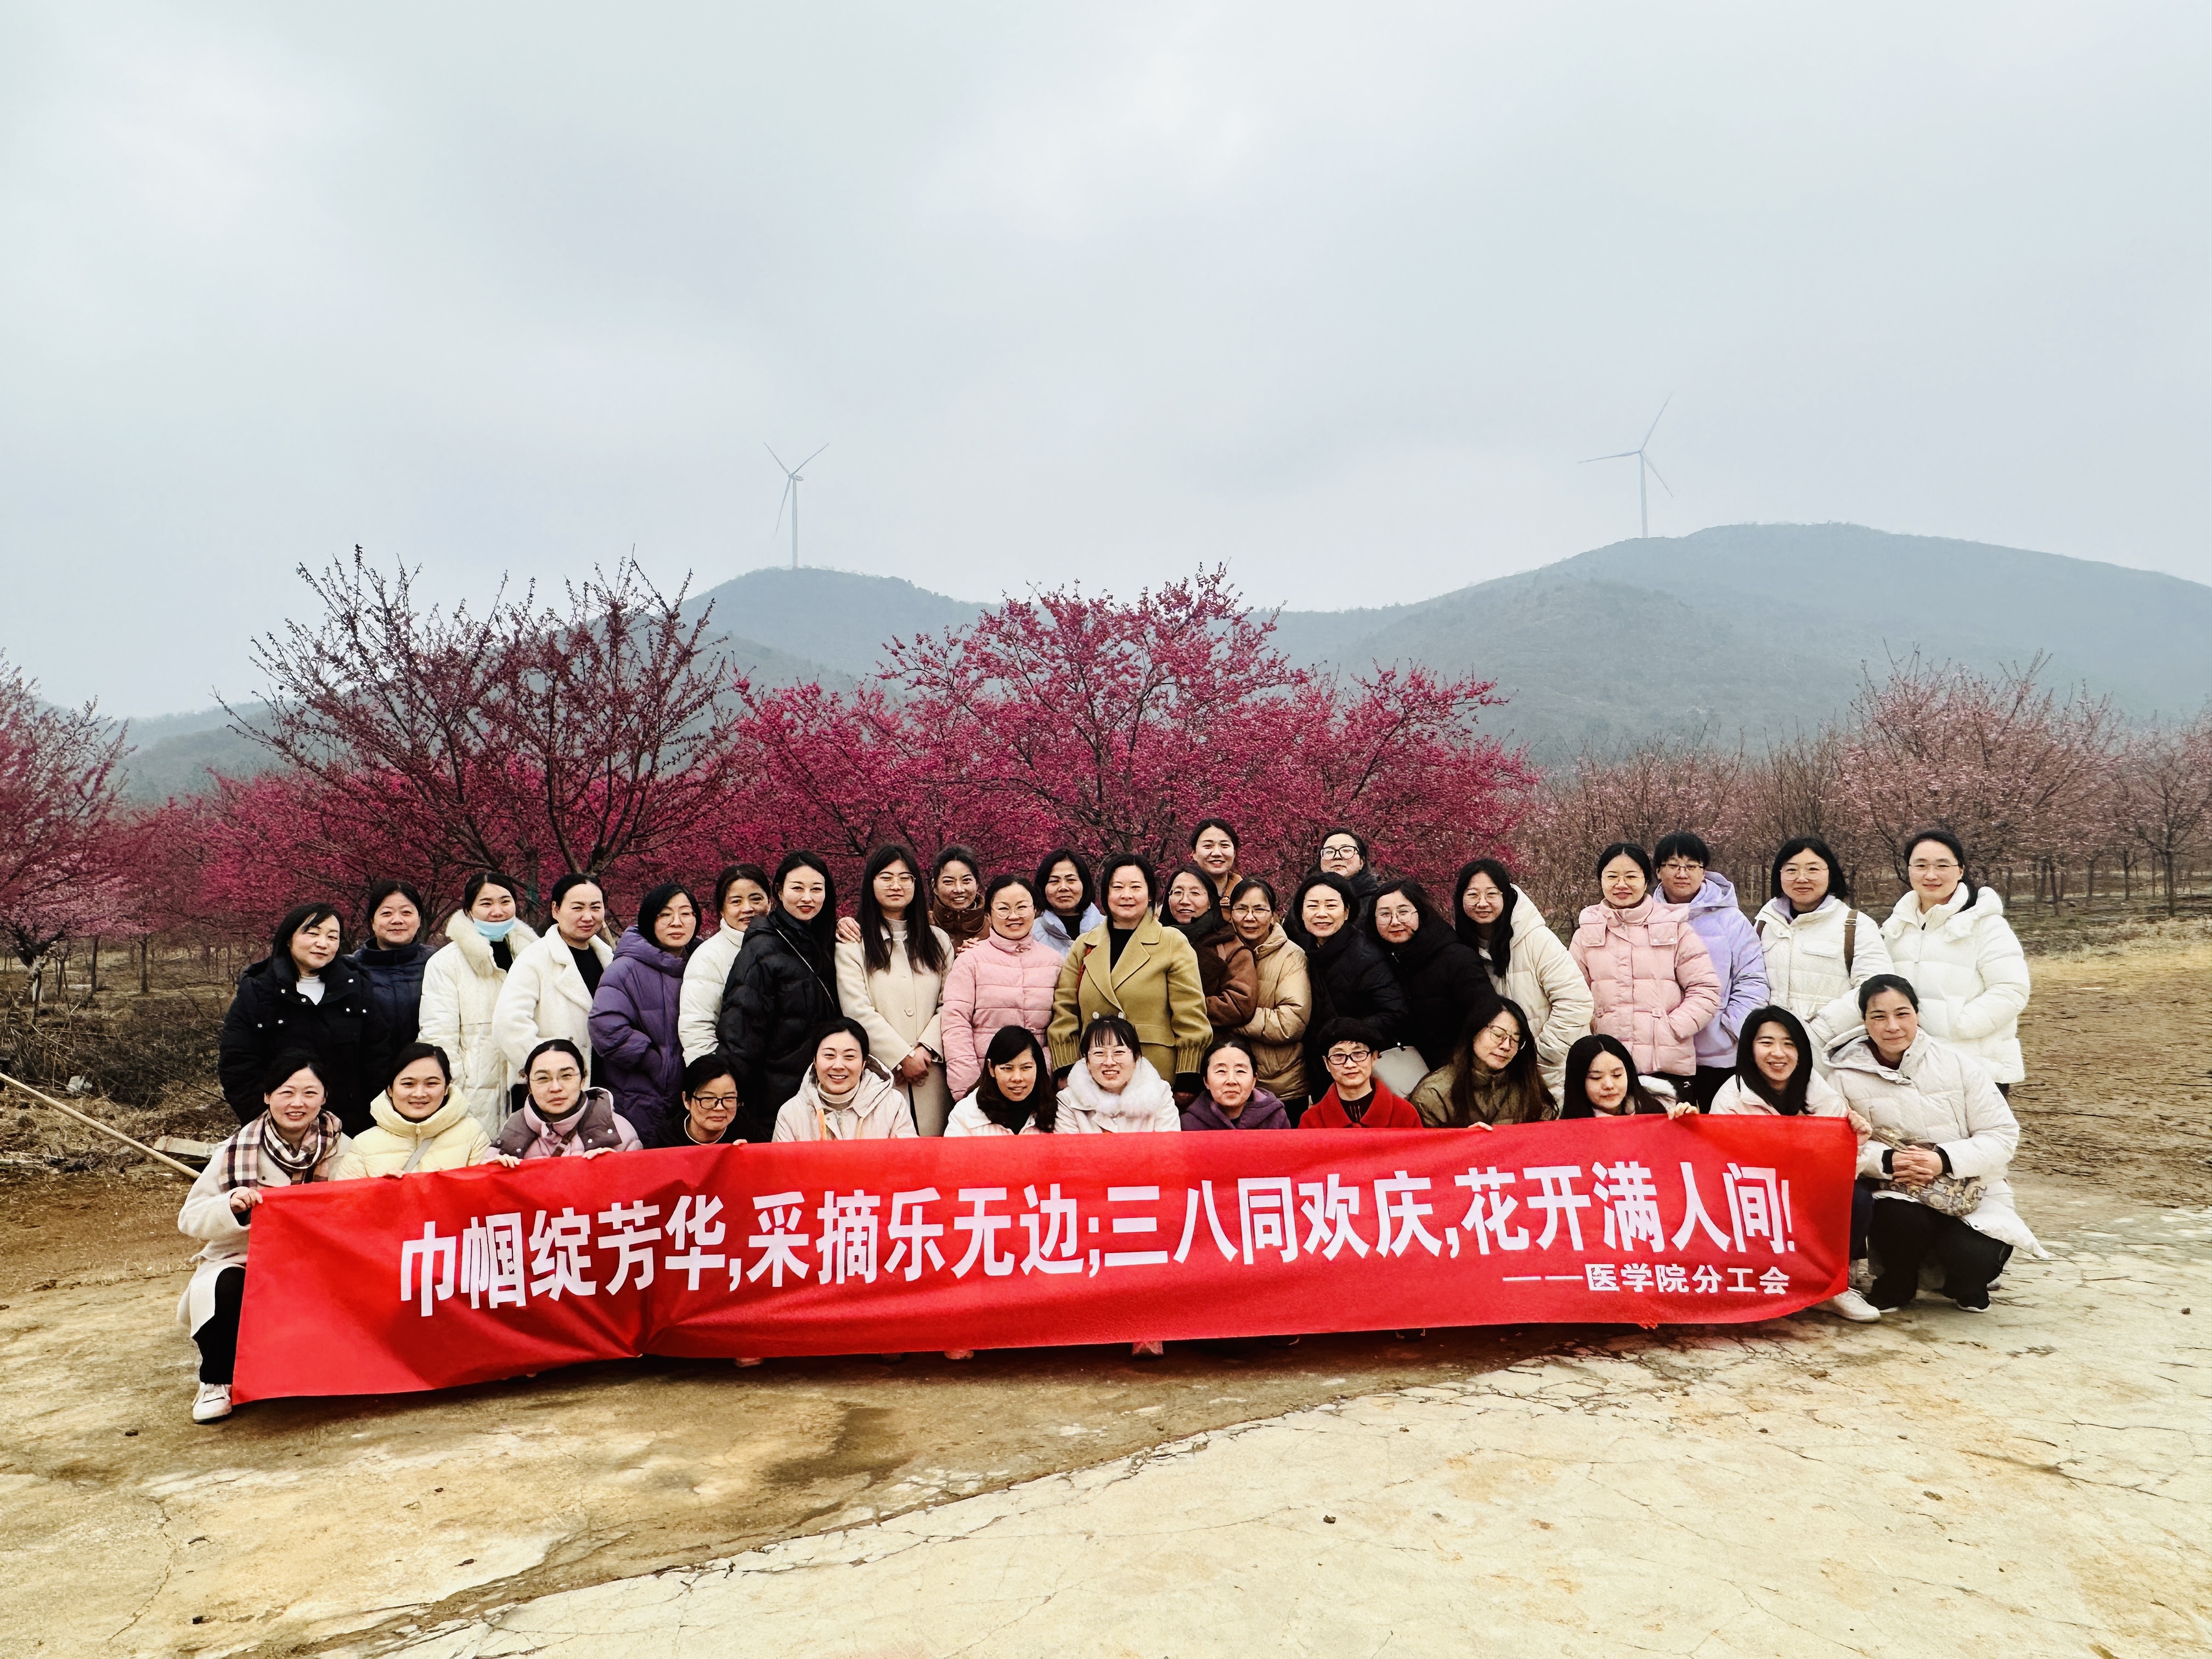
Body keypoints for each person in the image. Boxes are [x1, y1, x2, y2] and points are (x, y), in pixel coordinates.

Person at [1826, 976, 2039, 1312]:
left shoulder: (1959, 1064)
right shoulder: (1843, 1075)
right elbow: (1836, 1143)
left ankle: (1965, 1282)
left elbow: (2001, 1133)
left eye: (1902, 1014)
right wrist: (1888, 1161)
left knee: (1972, 1260)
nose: (1892, 1026)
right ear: (1864, 1021)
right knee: (1898, 1219)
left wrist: (1944, 1159)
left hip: (1968, 1190)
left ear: (1917, 1014)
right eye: (1879, 1016)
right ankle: (1897, 1283)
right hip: (1900, 1189)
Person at [177, 1054, 353, 1423]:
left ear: (324, 1098)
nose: (298, 1103)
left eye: (310, 1093)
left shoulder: (344, 1148)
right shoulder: (235, 1150)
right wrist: (232, 1206)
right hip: (245, 1257)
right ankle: (216, 1380)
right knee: (221, 1286)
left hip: (320, 1259)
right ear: (268, 1096)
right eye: (287, 1092)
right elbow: (190, 1218)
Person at [1709, 1006, 1881, 1323]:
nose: (1778, 1053)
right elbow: (1720, 1169)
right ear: (1749, 1049)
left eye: (1789, 1044)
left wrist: (1854, 1142)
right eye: (1766, 1043)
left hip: (1809, 1193)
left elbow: (1842, 1169)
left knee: (1856, 1196)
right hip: (1755, 1197)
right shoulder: (1731, 1098)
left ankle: (1832, 1287)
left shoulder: (1821, 1094)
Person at [1056, 1014, 1178, 1358]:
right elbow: (1070, 1163)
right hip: (1090, 1201)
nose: (1109, 1062)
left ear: (1136, 1057)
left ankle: (1145, 1324)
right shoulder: (1067, 1101)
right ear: (1086, 1061)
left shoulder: (1160, 1093)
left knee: (1146, 1229)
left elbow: (1168, 1156)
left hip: (1147, 1199)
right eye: (1099, 1053)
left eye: (1119, 1052)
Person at [1880, 829, 2032, 1093]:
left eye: (1942, 866)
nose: (1931, 875)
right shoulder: (1895, 928)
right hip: (1910, 1063)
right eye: (1921, 866)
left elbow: (2011, 990)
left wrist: (1957, 1024)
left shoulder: (1985, 925)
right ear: (1908, 870)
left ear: (1960, 870)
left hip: (1976, 1065)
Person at [1569, 843, 1722, 1102]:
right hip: (1605, 1068)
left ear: (1646, 879)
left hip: (1665, 1066)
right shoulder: (1586, 933)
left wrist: (1671, 1028)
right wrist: (1590, 1034)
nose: (1621, 884)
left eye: (1631, 876)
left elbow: (1705, 990)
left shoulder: (1674, 927)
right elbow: (1572, 996)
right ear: (1601, 880)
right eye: (1612, 876)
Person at [1048, 855, 1211, 1096]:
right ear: (1106, 894)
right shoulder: (1085, 945)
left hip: (1154, 1073)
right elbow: (1065, 1010)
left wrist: (1188, 1075)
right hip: (1092, 1074)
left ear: (1150, 895)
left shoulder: (1172, 942)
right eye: (1117, 887)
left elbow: (1191, 1014)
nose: (1126, 895)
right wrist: (1067, 1068)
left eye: (1136, 887)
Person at [217, 903, 386, 1136]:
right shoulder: (258, 993)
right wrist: (273, 1124)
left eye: (332, 937)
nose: (323, 943)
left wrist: (370, 1121)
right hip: (282, 1129)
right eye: (313, 933)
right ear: (289, 938)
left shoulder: (356, 987)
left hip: (352, 1128)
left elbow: (378, 1058)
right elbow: (238, 1068)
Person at [716, 853, 843, 1143]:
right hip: (774, 1096)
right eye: (797, 888)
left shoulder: (824, 941)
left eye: (817, 889)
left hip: (825, 1086)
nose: (807, 898)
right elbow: (741, 1029)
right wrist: (733, 1097)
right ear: (779, 891)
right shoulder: (762, 948)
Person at [836, 845, 956, 1135]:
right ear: (871, 883)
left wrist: (926, 1050)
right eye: (886, 877)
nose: (896, 885)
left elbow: (951, 1003)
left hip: (932, 1072)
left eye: (905, 878)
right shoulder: (853, 944)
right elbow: (857, 1009)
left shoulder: (938, 941)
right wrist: (901, 1056)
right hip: (880, 1075)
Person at [1454, 858, 1590, 1102]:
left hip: (1554, 1073)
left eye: (1492, 894)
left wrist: (1539, 1055)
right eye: (1473, 895)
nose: (1482, 903)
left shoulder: (1537, 940)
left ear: (1506, 896)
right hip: (1501, 1077)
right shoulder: (1462, 949)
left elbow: (1576, 1002)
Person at [1653, 833, 1770, 1109]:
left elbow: (1752, 979)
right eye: (1673, 865)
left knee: (1719, 1128)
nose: (1682, 873)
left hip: (1719, 1056)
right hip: (1661, 1055)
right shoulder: (1645, 917)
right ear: (1658, 871)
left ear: (1704, 871)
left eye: (1692, 866)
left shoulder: (1729, 919)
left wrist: (1731, 1028)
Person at [419, 872, 540, 1137]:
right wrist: (454, 1089)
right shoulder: (446, 963)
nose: (497, 911)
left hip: (531, 1084)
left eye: (505, 901)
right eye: (486, 903)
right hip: (475, 1091)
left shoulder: (535, 955)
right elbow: (438, 1035)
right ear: (468, 910)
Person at [1754, 837, 1895, 1059]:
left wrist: (1817, 1032)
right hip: (1770, 1050)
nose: (1802, 878)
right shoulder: (1764, 923)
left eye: (1813, 869)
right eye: (1791, 870)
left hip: (1833, 1050)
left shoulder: (1855, 925)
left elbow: (1874, 988)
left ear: (1831, 873)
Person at [1367, 877, 1499, 1089]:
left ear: (1421, 912)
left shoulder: (1456, 958)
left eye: (1403, 912)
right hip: (1407, 1078)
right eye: (1384, 914)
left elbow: (1486, 1016)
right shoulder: (1377, 962)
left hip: (1461, 1078)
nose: (1395, 921)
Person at [589, 883, 698, 1137]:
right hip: (639, 1096)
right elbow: (605, 1025)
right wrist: (655, 1063)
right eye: (665, 914)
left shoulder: (702, 962)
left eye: (686, 913)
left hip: (692, 1096)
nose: (677, 922)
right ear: (649, 919)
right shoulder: (625, 969)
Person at [1285, 871, 1407, 1097]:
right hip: (1321, 1069)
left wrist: (1346, 1034)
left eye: (1331, 905)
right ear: (1301, 913)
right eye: (1312, 906)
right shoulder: (1302, 951)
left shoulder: (1366, 956)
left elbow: (1395, 1013)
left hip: (1359, 1068)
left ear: (1347, 911)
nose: (1321, 913)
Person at [940, 874, 1060, 1100]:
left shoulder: (1054, 962)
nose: (1013, 916)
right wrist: (969, 1088)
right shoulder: (970, 961)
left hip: (1038, 1085)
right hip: (984, 1085)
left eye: (1022, 907)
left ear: (1035, 910)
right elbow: (956, 1023)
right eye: (1004, 909)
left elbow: (1060, 1026)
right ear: (989, 914)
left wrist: (1044, 1073)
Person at [491, 873, 613, 1089]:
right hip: (552, 1087)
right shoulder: (534, 958)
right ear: (556, 910)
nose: (588, 916)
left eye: (595, 907)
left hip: (602, 1079)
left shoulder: (608, 958)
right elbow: (509, 1025)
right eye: (577, 908)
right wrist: (550, 1071)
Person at [329, 1043, 494, 1177]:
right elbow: (346, 1202)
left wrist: (500, 1171)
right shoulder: (364, 1144)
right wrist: (382, 1192)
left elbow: (487, 1198)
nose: (419, 1094)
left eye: (431, 1084)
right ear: (390, 1090)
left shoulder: (472, 1133)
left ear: (446, 1088)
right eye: (408, 1084)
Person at [1227, 877, 1311, 1117]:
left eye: (1260, 909)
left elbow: (1290, 1022)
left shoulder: (1291, 956)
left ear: (1274, 915)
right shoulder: (1220, 951)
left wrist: (1229, 1016)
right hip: (1229, 1082)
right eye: (1242, 909)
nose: (1250, 917)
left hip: (1281, 1085)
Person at [490, 1037, 642, 1160]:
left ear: (583, 1079)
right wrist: (498, 1173)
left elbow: (637, 1185)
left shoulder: (618, 1131)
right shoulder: (511, 1132)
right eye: (543, 1078)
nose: (555, 1087)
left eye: (566, 1076)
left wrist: (614, 1170)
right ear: (529, 1086)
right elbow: (488, 1185)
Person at [680, 864, 772, 1062]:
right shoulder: (709, 957)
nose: (748, 908)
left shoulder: (787, 944)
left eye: (756, 899)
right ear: (722, 909)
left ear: (770, 902)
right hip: (734, 1071)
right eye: (736, 901)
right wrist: (714, 1075)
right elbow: (697, 1030)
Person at [1410, 1000, 1553, 1128]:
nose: (1506, 1046)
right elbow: (1422, 1147)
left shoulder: (1526, 1084)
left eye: (1515, 1039)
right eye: (1498, 1034)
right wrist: (1465, 1141)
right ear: (1474, 1031)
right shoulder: (1433, 1095)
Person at [772, 1019, 916, 1141]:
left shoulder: (892, 1105)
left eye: (849, 1057)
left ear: (864, 1064)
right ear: (815, 1061)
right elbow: (783, 1165)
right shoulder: (791, 1113)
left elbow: (909, 1159)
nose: (838, 1066)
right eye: (829, 1055)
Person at [1162, 862, 1257, 1034]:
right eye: (1177, 892)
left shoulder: (1229, 944)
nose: (1184, 901)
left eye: (1195, 893)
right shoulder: (1154, 939)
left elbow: (1239, 1003)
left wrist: (1181, 1007)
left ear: (1210, 901)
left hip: (1209, 1041)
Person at [348, 878, 433, 1068]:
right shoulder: (350, 969)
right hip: (368, 1076)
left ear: (420, 919)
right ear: (372, 921)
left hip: (426, 1075)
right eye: (387, 913)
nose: (397, 920)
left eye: (406, 912)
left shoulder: (438, 963)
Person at [1300, 1018, 1423, 1128]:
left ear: (1374, 1058)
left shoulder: (1404, 1114)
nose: (1349, 1064)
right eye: (1339, 1056)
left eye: (1358, 1054)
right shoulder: (1311, 1121)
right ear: (1327, 1063)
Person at [944, 1024, 1058, 1137]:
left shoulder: (1058, 1112)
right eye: (1008, 1068)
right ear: (991, 1068)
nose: (1017, 1078)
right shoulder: (965, 1115)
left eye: (1026, 1067)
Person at [1557, 1034, 1696, 1119]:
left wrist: (1688, 1124)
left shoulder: (1662, 1107)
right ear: (1578, 1082)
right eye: (1596, 1077)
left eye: (1617, 1075)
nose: (1609, 1085)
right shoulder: (1566, 1128)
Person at [1180, 1034, 1290, 1131]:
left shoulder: (1275, 1117)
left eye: (1240, 1071)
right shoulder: (1190, 1123)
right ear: (1206, 1081)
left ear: (1254, 1081)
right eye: (1221, 1071)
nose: (1231, 1081)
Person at [648, 1053, 749, 1147]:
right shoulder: (666, 1138)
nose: (719, 1107)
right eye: (708, 1098)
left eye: (729, 1098)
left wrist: (747, 1155)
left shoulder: (747, 1131)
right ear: (686, 1100)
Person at [1034, 849, 1103, 957]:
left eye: (1071, 880)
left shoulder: (1110, 929)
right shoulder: (1030, 934)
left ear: (1084, 884)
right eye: (1054, 881)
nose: (1063, 888)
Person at [930, 846, 989, 955]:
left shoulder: (994, 928)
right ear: (934, 886)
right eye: (949, 882)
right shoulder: (922, 927)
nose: (959, 889)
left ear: (977, 884)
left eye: (966, 880)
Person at [1314, 827, 1380, 916]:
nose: (1337, 856)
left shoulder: (1378, 902)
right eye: (1329, 852)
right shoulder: (1304, 900)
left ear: (1362, 861)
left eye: (1346, 850)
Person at [1190, 817, 1243, 903]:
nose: (1217, 853)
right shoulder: (1180, 899)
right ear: (1194, 853)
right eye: (1208, 846)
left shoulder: (1248, 896)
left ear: (1234, 852)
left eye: (1224, 845)